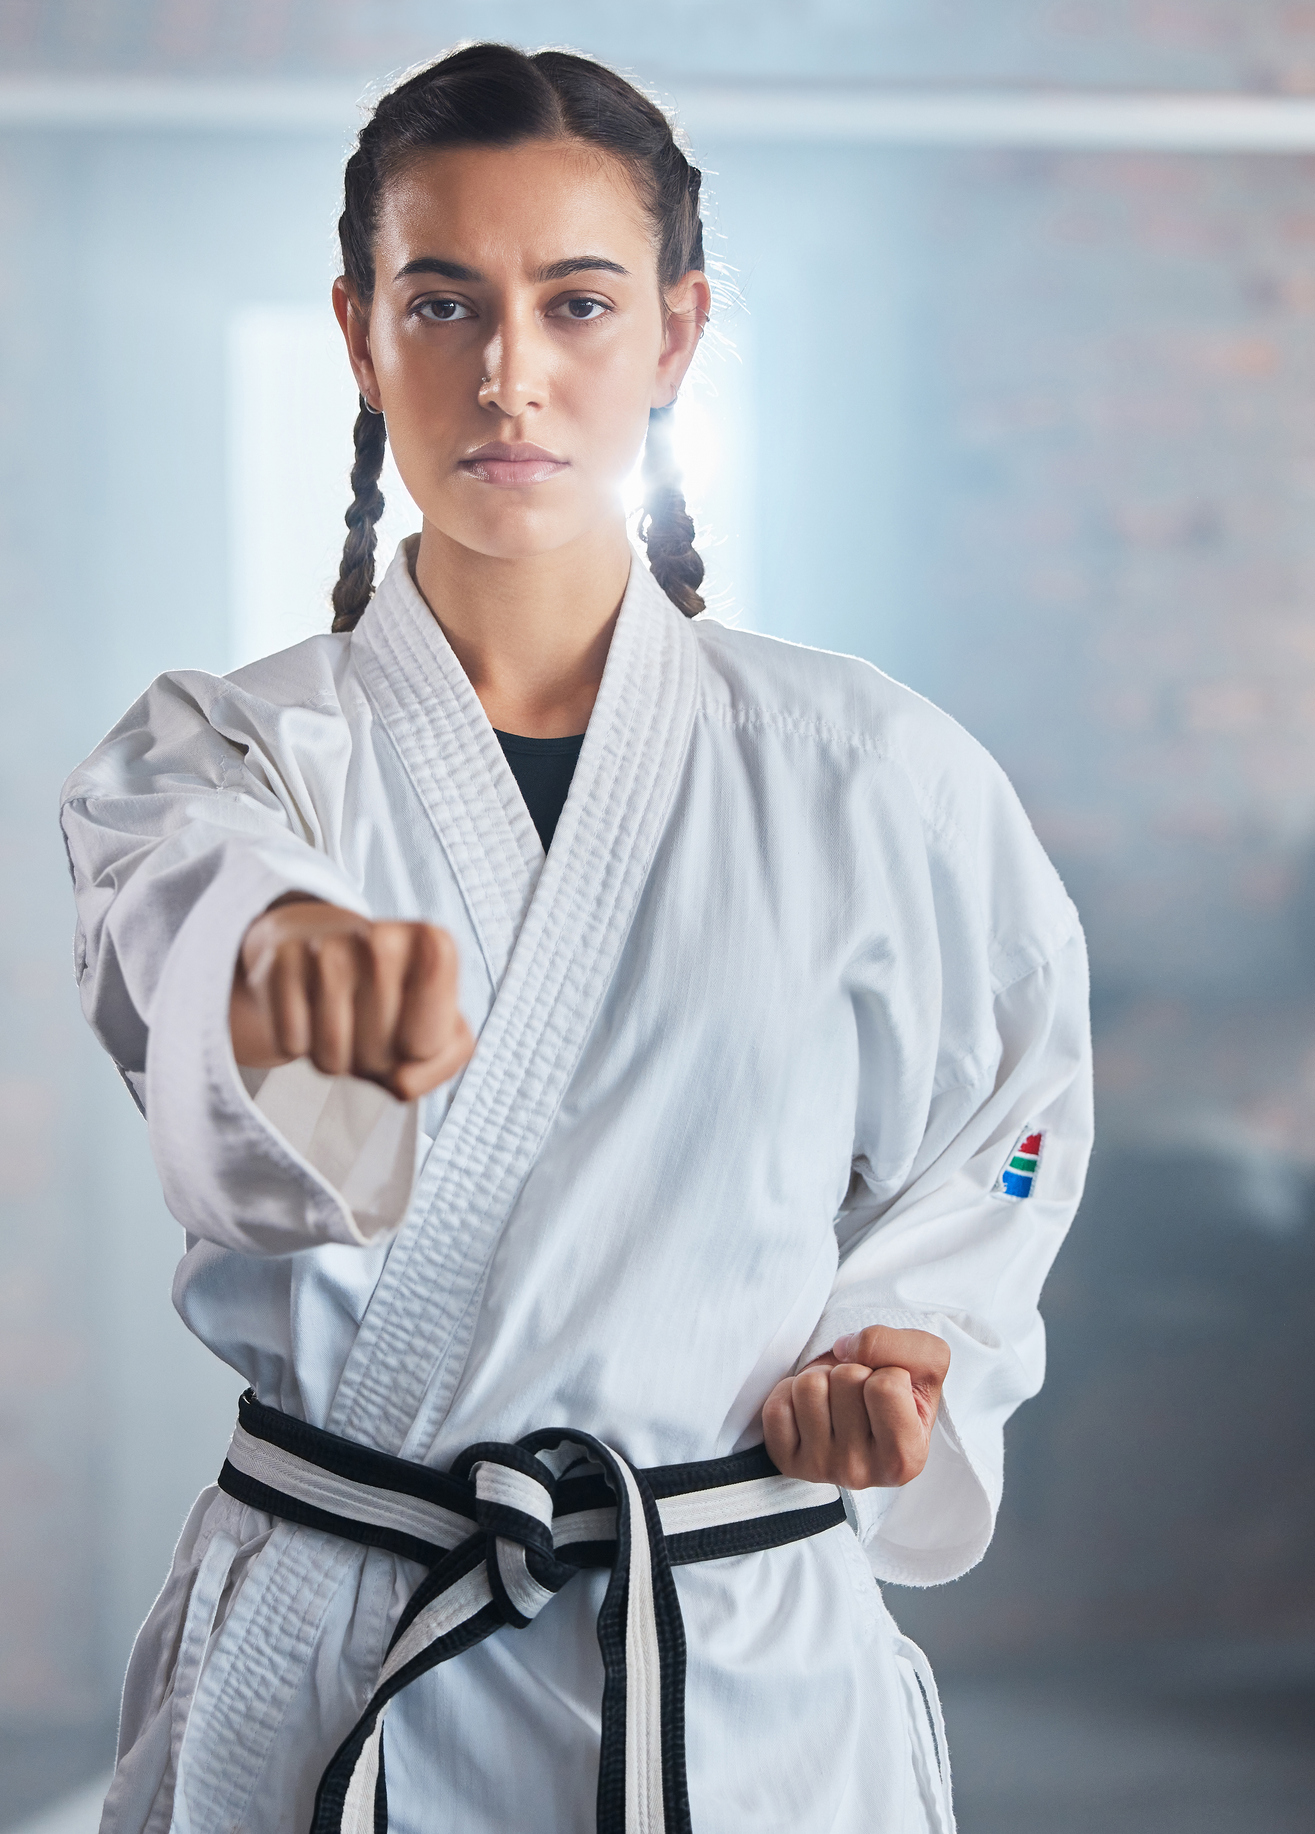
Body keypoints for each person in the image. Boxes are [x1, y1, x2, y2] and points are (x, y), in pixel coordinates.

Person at [60, 42, 1091, 1834]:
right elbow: (193, 921)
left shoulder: (875, 774)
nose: (508, 373)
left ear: (678, 335)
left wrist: (909, 1333)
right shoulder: (227, 759)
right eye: (442, 302)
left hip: (735, 1668)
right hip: (342, 1656)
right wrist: (279, 974)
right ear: (358, 333)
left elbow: (1016, 1121)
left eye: (579, 304)